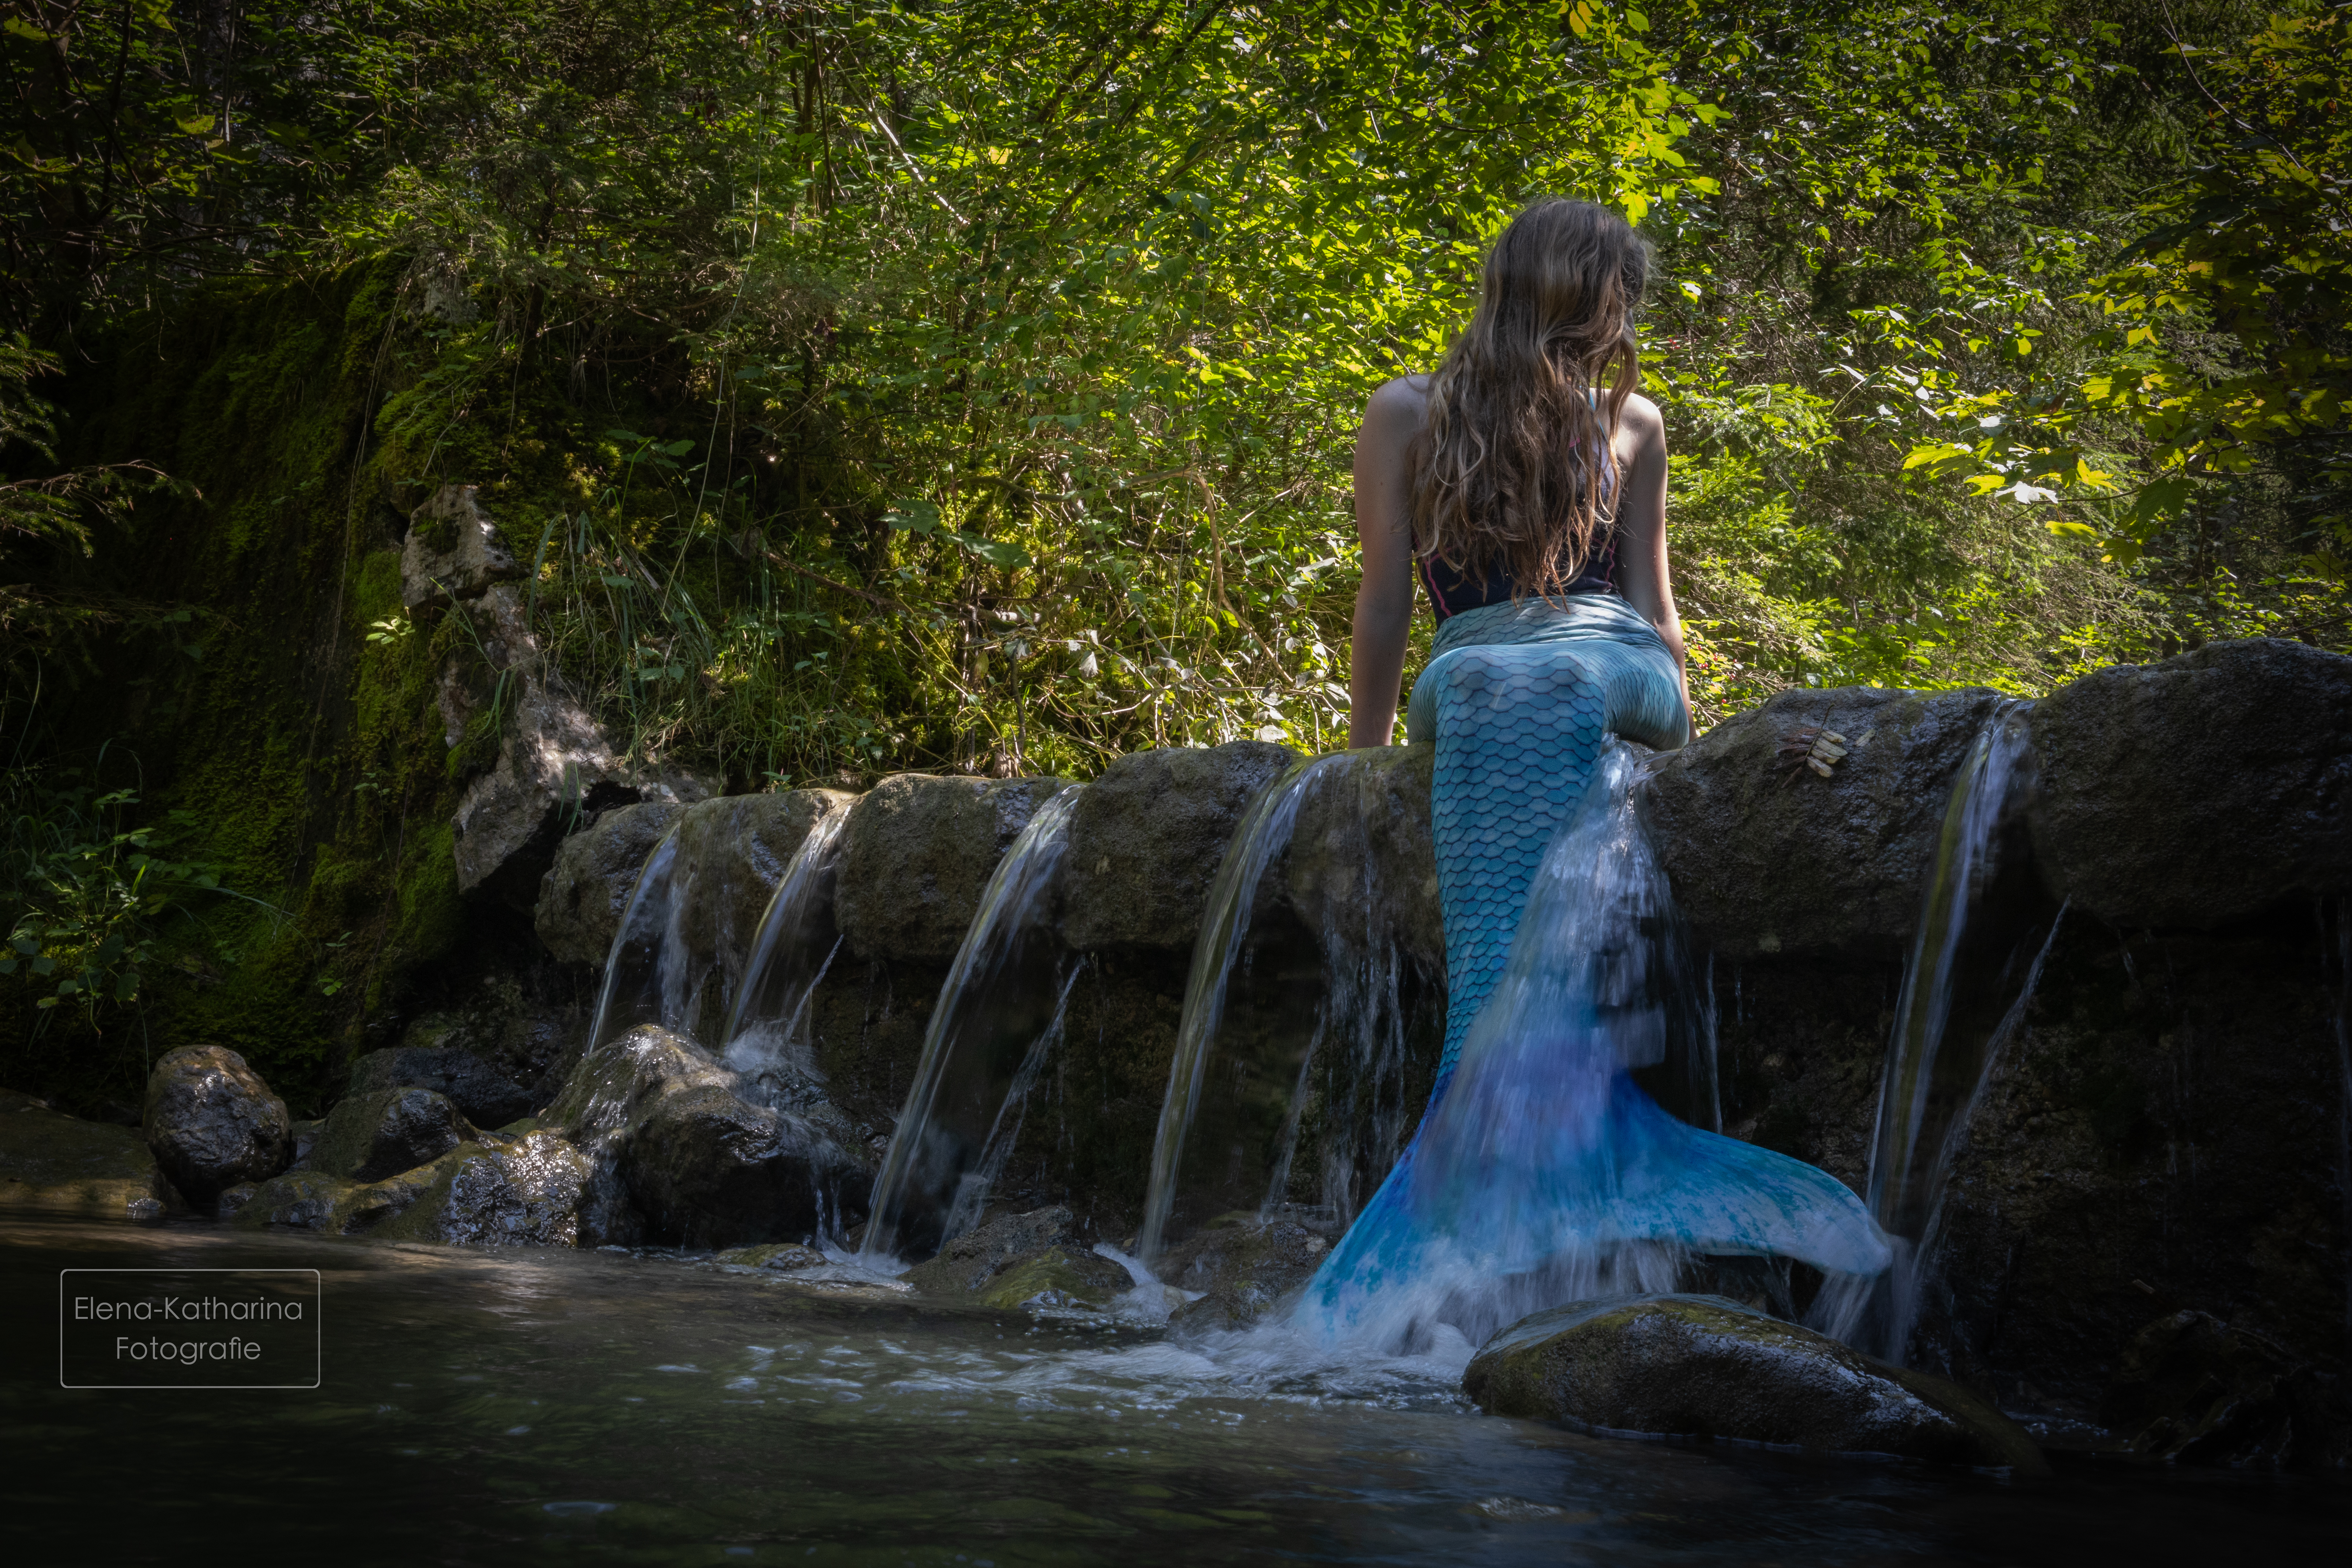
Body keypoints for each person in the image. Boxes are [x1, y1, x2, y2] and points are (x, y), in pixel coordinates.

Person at [1301, 199, 1886, 1348]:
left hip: (1612, 663)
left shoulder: (1634, 426)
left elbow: (1658, 606)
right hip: (1472, 665)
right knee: (1494, 688)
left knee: (1554, 685)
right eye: (1611, 293)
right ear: (1566, 292)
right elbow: (1381, 604)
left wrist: (1700, 744)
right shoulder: (1404, 413)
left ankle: (1523, 1131)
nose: (1622, 320)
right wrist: (1360, 763)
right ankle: (1498, 1126)